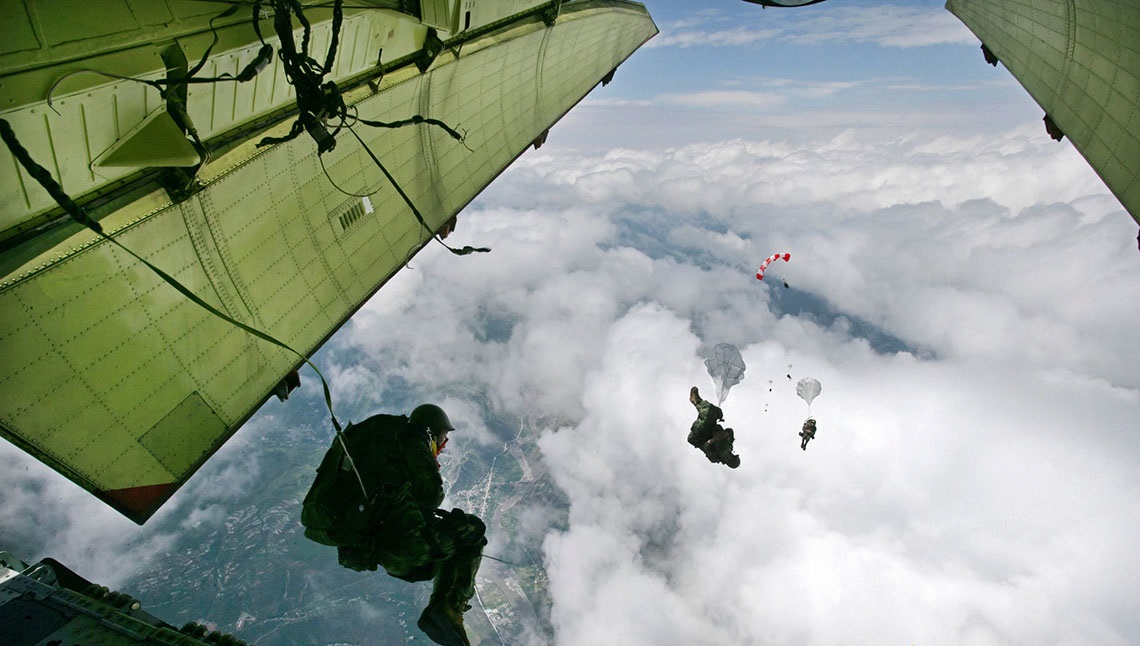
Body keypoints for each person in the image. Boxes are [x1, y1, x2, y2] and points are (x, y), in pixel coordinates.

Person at [301, 404, 486, 646]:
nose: (443, 445)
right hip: (403, 548)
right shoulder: (413, 442)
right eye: (442, 438)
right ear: (431, 433)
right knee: (473, 531)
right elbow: (430, 495)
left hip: (362, 540)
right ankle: (447, 608)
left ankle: (442, 611)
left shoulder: (380, 438)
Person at [688, 387, 741, 468]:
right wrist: (725, 433)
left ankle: (696, 402)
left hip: (698, 435)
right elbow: (730, 431)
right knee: (717, 412)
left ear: (728, 461)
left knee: (707, 415)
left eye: (731, 458)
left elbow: (705, 447)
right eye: (733, 456)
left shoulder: (715, 458)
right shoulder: (729, 445)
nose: (731, 456)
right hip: (710, 429)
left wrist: (715, 439)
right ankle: (698, 400)